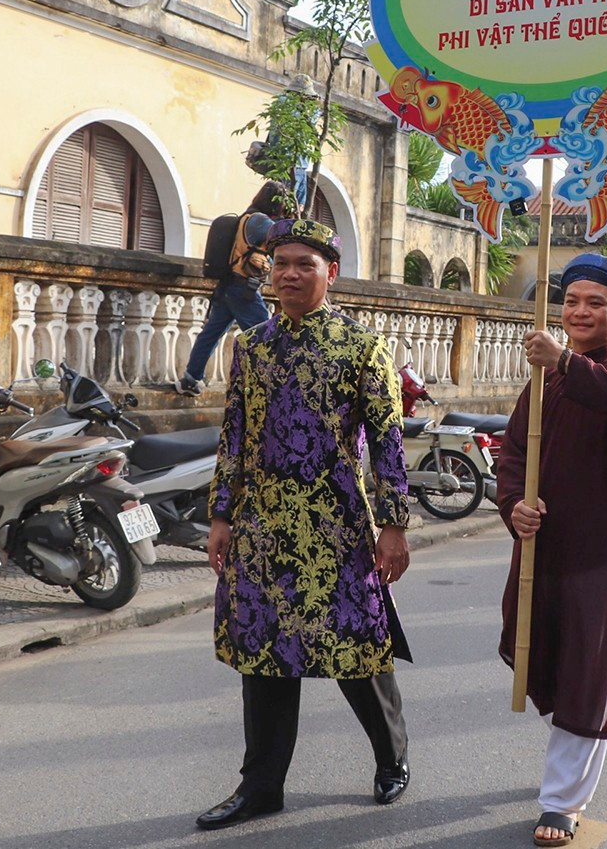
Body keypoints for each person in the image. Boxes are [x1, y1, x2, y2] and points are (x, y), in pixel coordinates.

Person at [198, 219, 413, 830]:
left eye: (305, 265)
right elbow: (234, 435)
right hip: (262, 526)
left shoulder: (361, 346)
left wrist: (393, 524)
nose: (289, 275)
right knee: (262, 654)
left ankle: (391, 756)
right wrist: (221, 514)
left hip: (335, 525)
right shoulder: (252, 346)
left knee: (355, 648)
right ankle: (261, 786)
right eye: (282, 264)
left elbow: (387, 441)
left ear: (331, 273)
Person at [497, 253, 607, 848]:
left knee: (587, 671)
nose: (580, 312)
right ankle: (566, 755)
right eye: (571, 301)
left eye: (596, 303)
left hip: (603, 546)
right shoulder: (542, 380)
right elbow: (513, 454)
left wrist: (565, 361)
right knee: (542, 653)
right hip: (544, 543)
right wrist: (513, 504)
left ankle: (562, 799)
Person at [178, 181, 291, 396]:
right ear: (275, 202)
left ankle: (190, 379)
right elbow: (282, 237)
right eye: (282, 202)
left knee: (211, 333)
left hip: (229, 284)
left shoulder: (249, 217)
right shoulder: (261, 221)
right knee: (266, 335)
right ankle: (272, 385)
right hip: (242, 288)